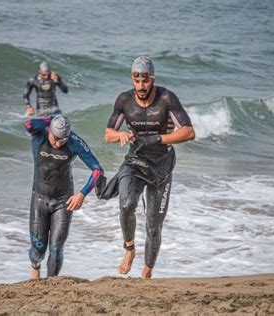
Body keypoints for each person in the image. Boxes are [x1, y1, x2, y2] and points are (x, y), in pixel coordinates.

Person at [104, 56, 195, 278]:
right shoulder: (124, 100)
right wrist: (121, 134)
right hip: (135, 161)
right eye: (137, 81)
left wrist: (157, 139)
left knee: (154, 225)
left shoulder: (166, 99)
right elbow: (108, 134)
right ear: (132, 79)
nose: (141, 86)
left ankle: (146, 273)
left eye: (145, 81)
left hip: (161, 167)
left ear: (151, 78)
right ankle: (129, 249)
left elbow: (188, 132)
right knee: (126, 204)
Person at [25, 115, 103, 279]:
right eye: (56, 138)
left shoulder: (74, 142)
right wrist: (52, 120)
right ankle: (35, 266)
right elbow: (29, 123)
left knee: (56, 248)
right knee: (38, 249)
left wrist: (82, 194)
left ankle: (51, 283)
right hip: (39, 198)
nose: (59, 143)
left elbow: (97, 170)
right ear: (49, 131)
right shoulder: (39, 134)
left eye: (63, 139)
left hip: (63, 201)